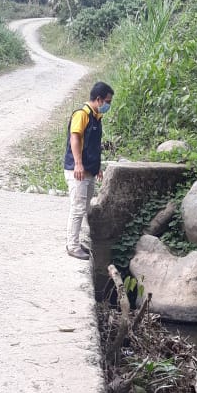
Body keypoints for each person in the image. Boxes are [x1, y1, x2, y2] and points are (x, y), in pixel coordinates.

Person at [63, 81, 114, 260]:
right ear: (98, 99)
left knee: (83, 208)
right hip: (77, 170)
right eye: (107, 101)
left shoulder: (96, 117)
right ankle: (72, 245)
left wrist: (96, 167)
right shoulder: (82, 115)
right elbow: (75, 138)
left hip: (89, 171)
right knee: (78, 208)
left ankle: (74, 241)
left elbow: (93, 145)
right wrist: (78, 164)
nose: (108, 105)